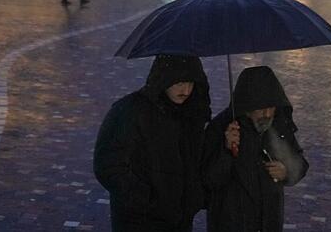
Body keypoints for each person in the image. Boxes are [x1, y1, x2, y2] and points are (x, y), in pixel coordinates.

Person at [94, 55, 211, 231]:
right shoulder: (130, 111)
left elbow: (197, 162)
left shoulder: (191, 114)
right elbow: (108, 165)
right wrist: (147, 199)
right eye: (179, 82)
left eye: (191, 83)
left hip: (179, 221)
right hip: (139, 221)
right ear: (165, 78)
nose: (186, 90)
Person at [202, 66, 308, 232]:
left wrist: (285, 171)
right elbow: (209, 180)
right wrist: (227, 150)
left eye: (271, 107)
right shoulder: (221, 127)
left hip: (269, 223)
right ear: (248, 106)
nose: (267, 114)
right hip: (231, 224)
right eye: (261, 108)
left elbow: (299, 164)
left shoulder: (278, 126)